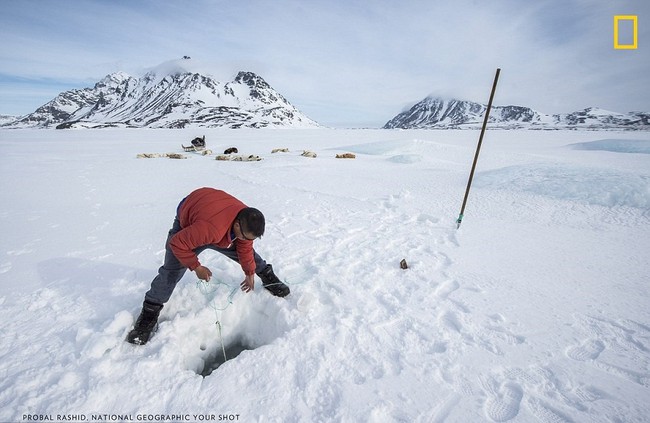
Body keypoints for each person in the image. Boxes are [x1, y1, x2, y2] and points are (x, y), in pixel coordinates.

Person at [127, 187, 290, 345]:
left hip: (212, 213)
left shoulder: (248, 220)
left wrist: (249, 273)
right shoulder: (210, 229)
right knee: (172, 271)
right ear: (237, 225)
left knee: (245, 250)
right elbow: (176, 243)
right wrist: (196, 267)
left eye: (250, 238)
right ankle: (149, 312)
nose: (246, 240)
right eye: (244, 236)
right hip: (191, 220)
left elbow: (245, 247)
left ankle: (267, 276)